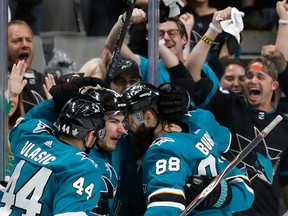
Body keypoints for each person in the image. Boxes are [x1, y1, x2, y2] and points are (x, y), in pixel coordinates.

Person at [173, 2, 288, 215]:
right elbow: (191, 72)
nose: (252, 80)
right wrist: (214, 28)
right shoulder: (228, 105)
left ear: (274, 86)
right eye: (249, 76)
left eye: (260, 77)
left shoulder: (284, 125)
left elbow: (285, 180)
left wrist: (283, 21)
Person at [121, 81, 254, 215]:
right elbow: (245, 193)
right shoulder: (200, 120)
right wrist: (221, 193)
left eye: (129, 120)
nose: (126, 128)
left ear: (148, 117)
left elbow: (166, 207)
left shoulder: (162, 150)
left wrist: (216, 193)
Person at [0, 91, 105, 215]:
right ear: (89, 135)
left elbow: (22, 122)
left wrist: (54, 103)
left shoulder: (31, 135)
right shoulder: (83, 168)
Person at [105, 7, 216, 85]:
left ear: (184, 39)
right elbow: (112, 45)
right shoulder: (149, 66)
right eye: (160, 34)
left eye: (172, 33)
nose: (166, 38)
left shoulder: (202, 68)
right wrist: (123, 21)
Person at [8, 20, 48, 113]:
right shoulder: (3, 81)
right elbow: (5, 112)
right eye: (17, 40)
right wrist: (11, 95)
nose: (25, 45)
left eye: (29, 40)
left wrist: (54, 104)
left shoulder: (46, 80)